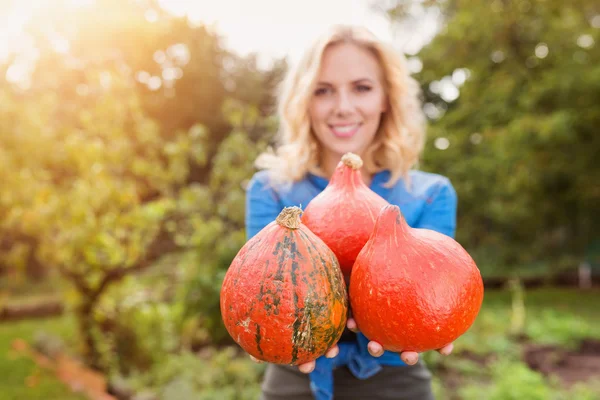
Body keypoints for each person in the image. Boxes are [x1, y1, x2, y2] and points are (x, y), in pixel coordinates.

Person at [244, 24, 457, 400]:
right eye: (323, 91)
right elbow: (261, 296)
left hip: (395, 381)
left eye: (361, 88)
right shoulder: (271, 189)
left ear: (385, 99)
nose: (343, 107)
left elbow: (432, 290)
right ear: (304, 101)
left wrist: (434, 318)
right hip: (295, 379)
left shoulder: (430, 194)